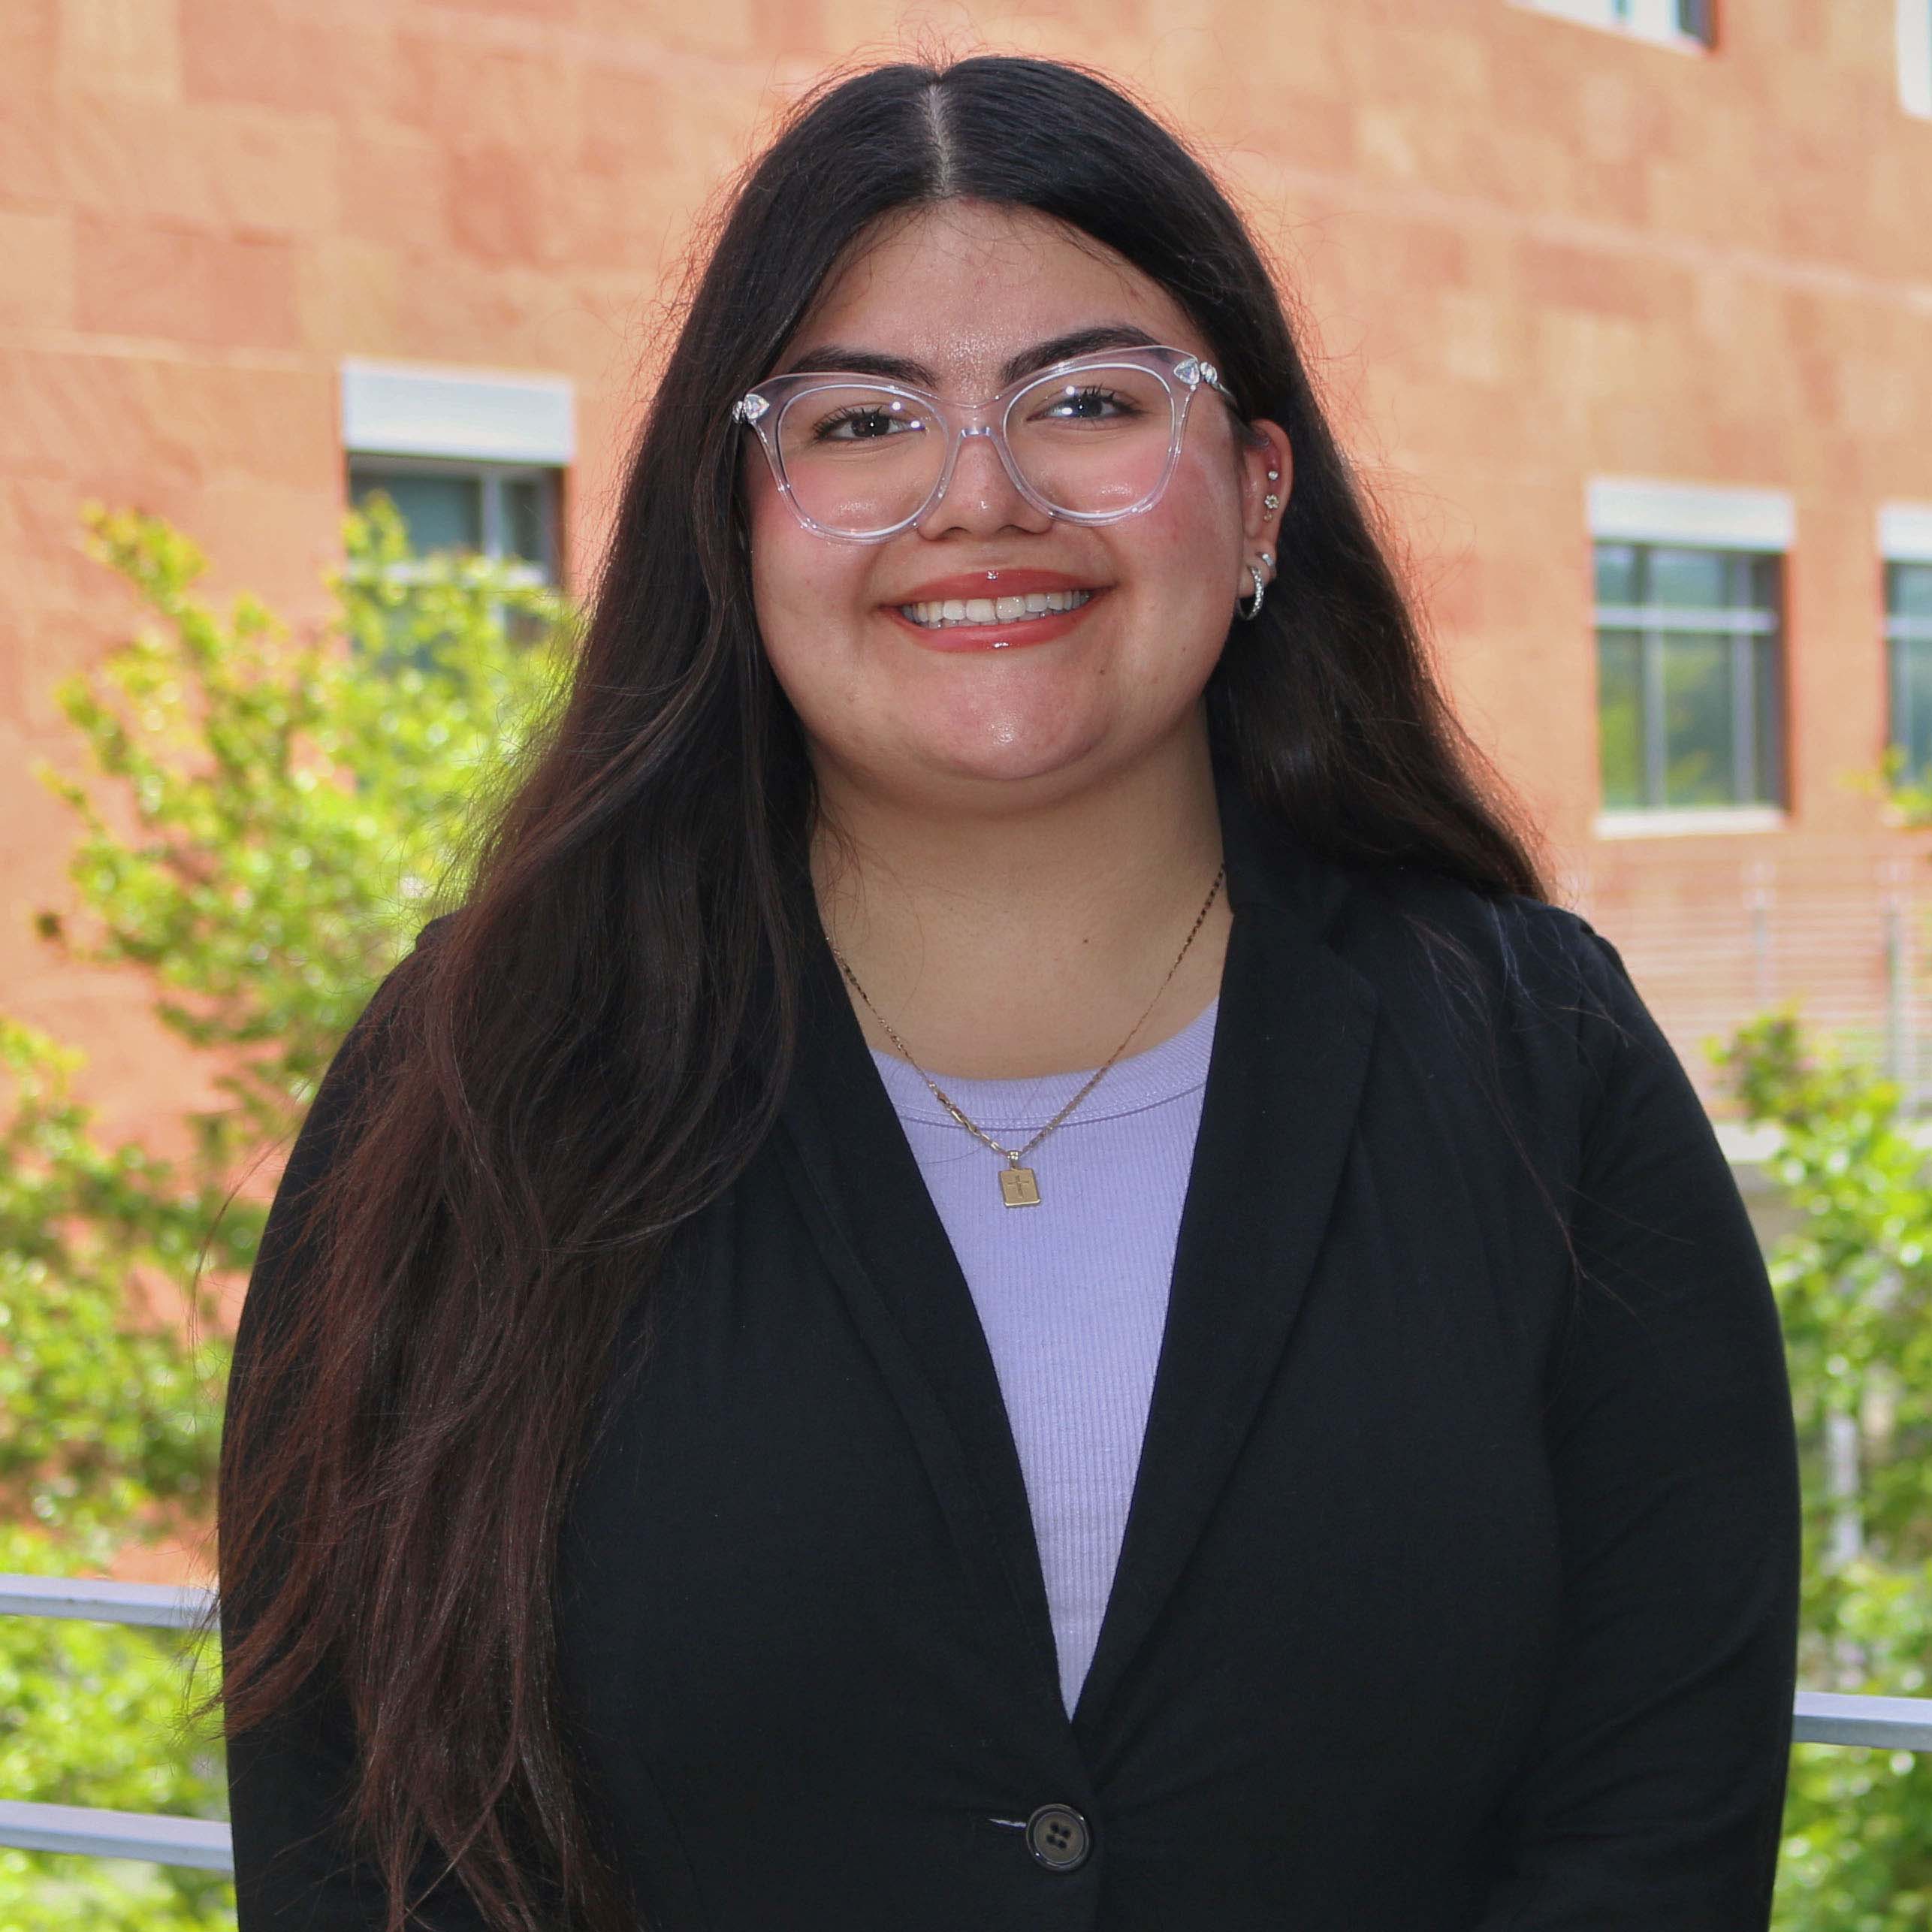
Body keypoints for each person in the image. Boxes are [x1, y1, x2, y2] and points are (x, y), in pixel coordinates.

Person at [212, 50, 1802, 1932]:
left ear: (1258, 492)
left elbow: (1655, 1811)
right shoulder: (473, 1082)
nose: (979, 496)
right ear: (738, 521)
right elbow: (350, 1831)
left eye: (1092, 400)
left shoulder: (1538, 1061)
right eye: (861, 421)